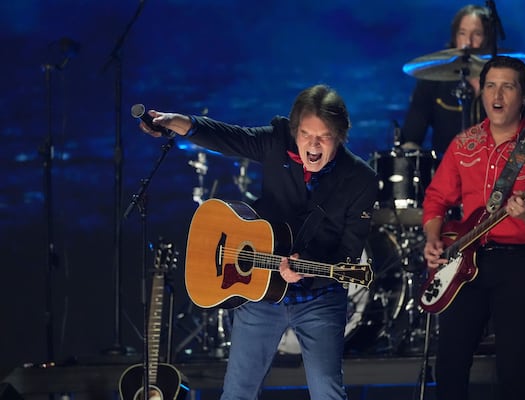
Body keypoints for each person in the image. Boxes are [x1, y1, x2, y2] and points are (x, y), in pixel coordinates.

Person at [139, 84, 378, 400]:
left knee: (327, 392)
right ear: (295, 132)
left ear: (340, 135)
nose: (314, 144)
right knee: (238, 392)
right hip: (261, 292)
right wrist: (174, 121)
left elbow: (348, 250)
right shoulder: (277, 143)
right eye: (306, 134)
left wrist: (305, 267)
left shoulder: (360, 179)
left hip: (319, 297)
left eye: (324, 136)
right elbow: (228, 137)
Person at [422, 56, 525, 400]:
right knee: (449, 363)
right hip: (465, 259)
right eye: (490, 85)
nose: (497, 94)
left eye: (508, 86)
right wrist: (432, 239)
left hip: (520, 262)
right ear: (481, 93)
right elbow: (436, 198)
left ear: (524, 96)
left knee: (512, 367)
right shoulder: (463, 144)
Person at [401, 4, 492, 155]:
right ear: (455, 37)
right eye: (462, 33)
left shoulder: (504, 82)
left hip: (494, 171)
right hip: (446, 170)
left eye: (477, 34)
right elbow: (411, 139)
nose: (468, 42)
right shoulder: (432, 80)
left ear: (488, 38)